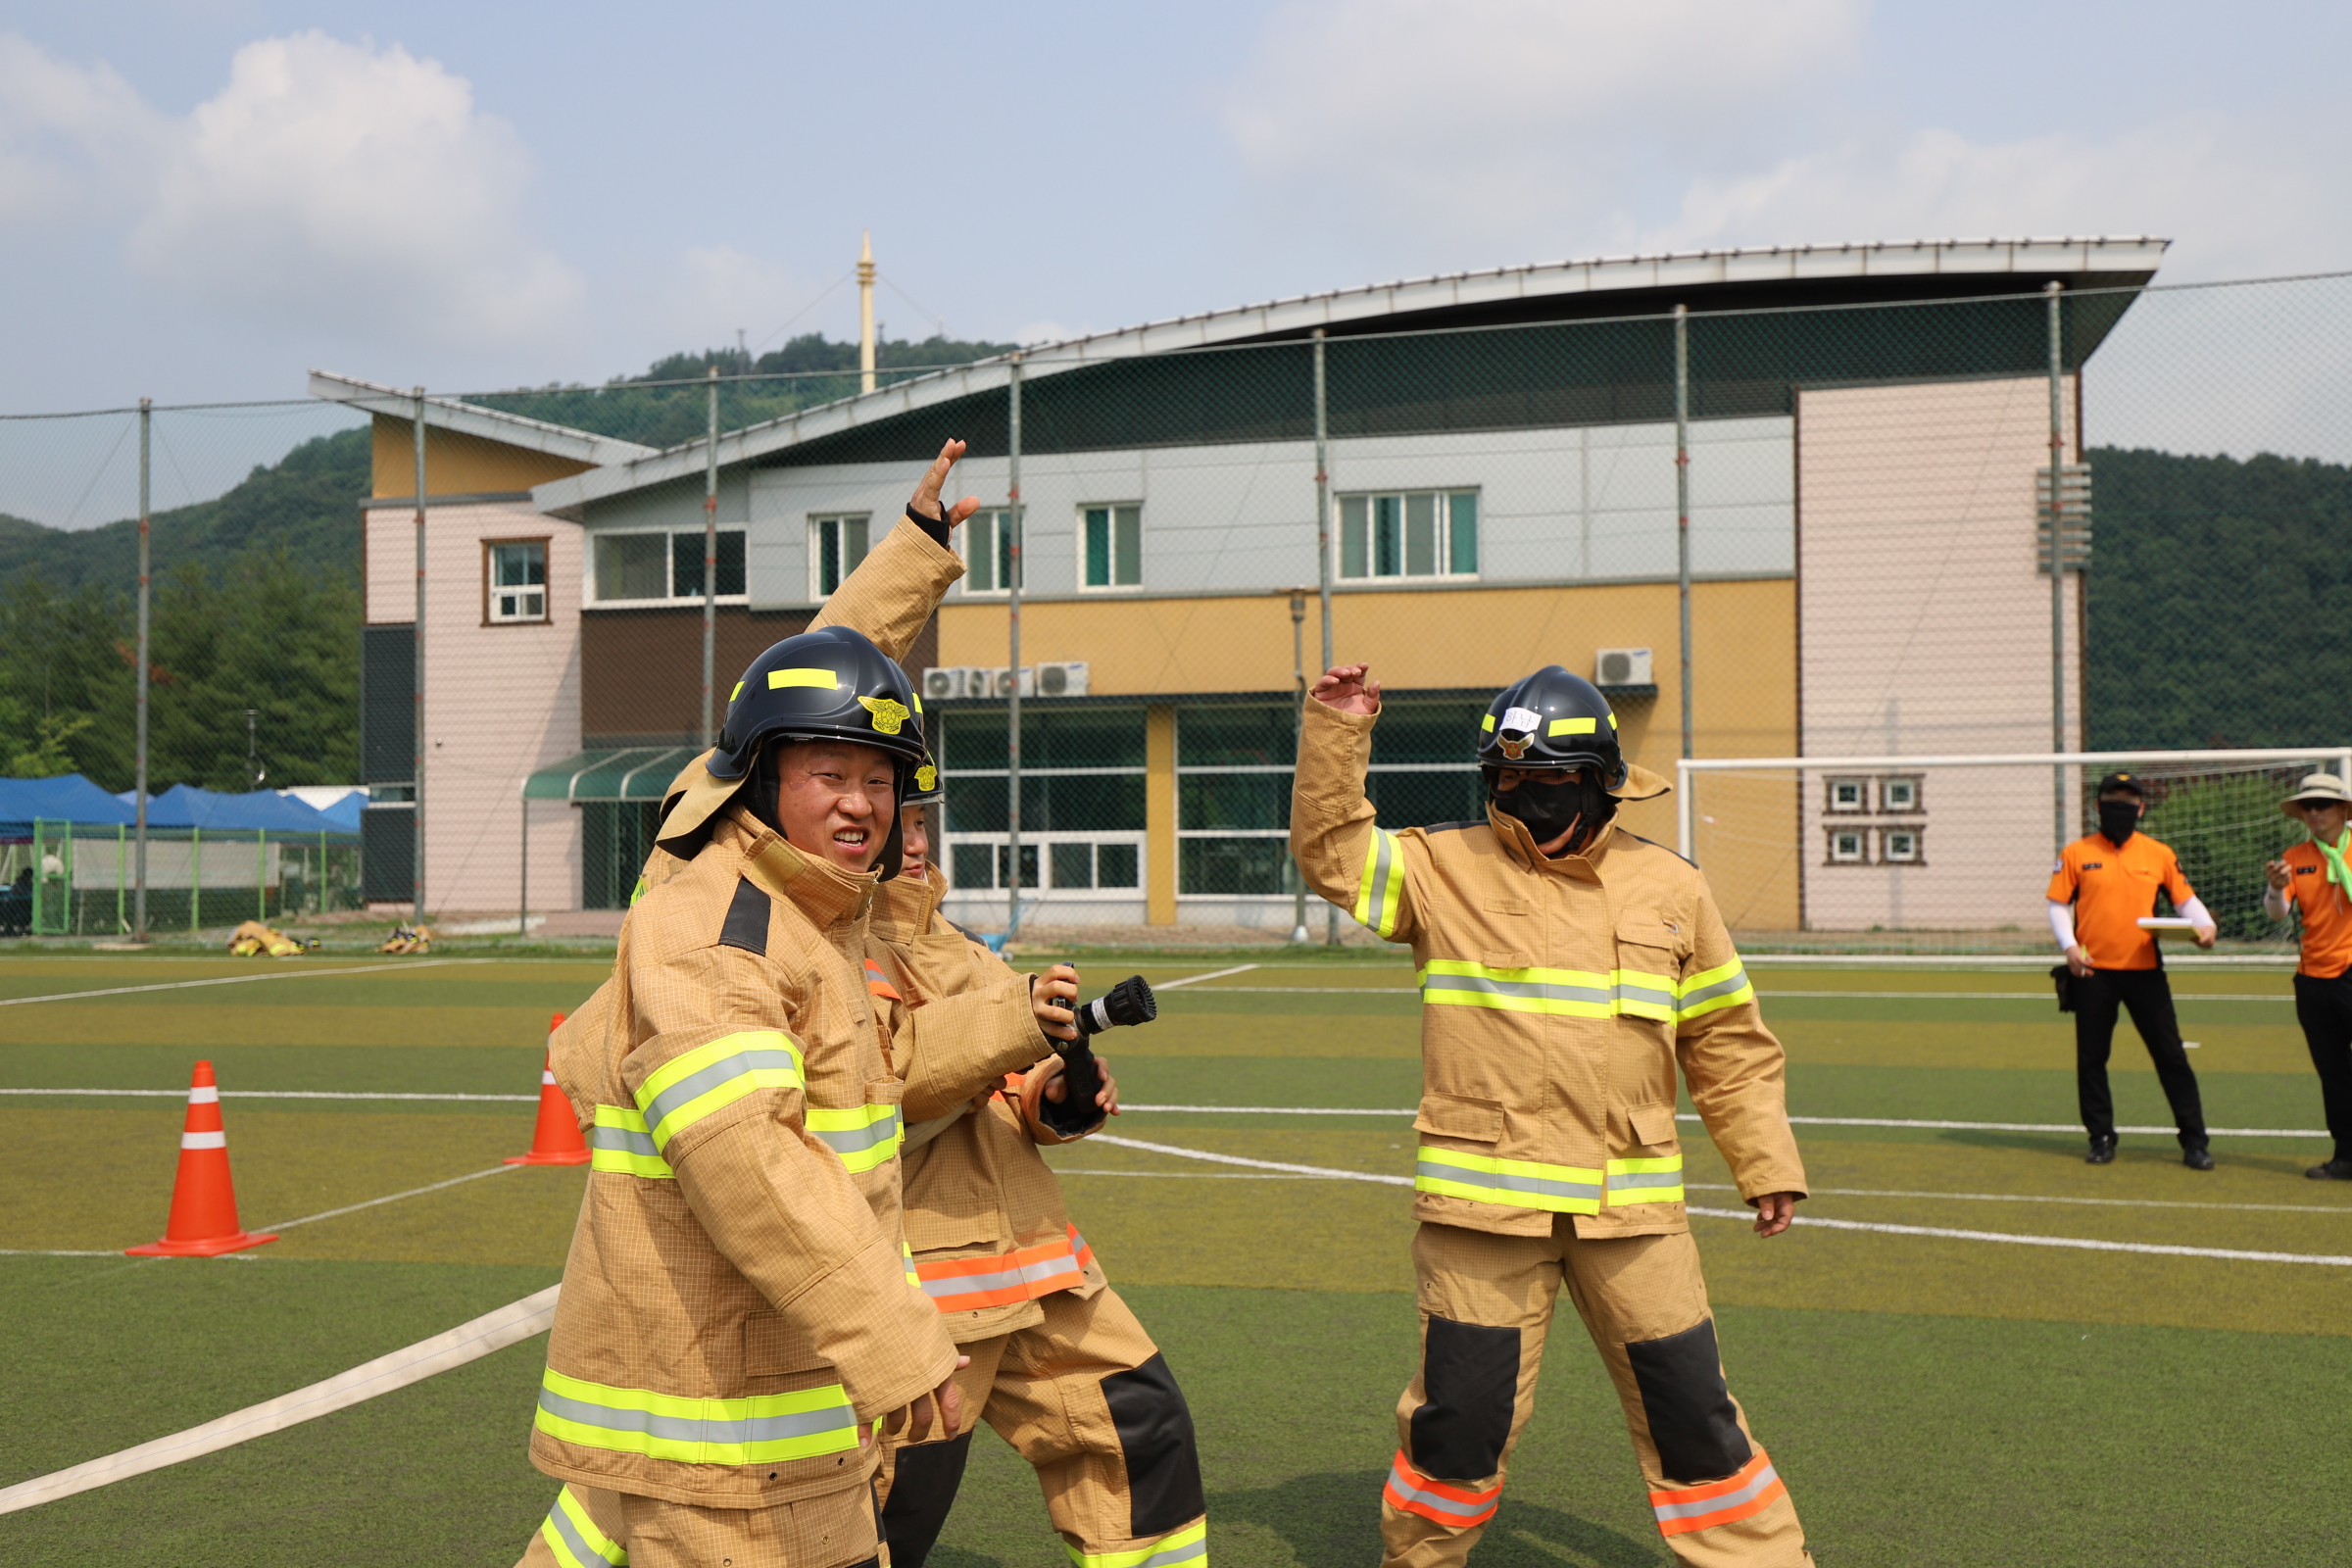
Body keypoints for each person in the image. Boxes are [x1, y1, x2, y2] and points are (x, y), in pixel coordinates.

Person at [518, 444, 1010, 1568]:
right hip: (725, 1419)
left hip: (764, 1391)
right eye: (831, 777)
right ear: (758, 775)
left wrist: (917, 554)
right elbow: (750, 1156)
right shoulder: (720, 915)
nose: (862, 803)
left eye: (881, 782)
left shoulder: (820, 914)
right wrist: (893, 1335)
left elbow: (827, 679)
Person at [1292, 662, 1812, 1568]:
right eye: (1505, 779)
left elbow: (1726, 1039)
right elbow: (1333, 853)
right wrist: (1338, 733)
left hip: (1632, 1217)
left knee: (1695, 1421)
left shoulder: (1672, 887)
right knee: (1458, 1431)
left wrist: (1764, 1160)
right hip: (1483, 1216)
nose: (1521, 796)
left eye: (1545, 781)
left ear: (1601, 782)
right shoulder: (1439, 869)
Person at [870, 761, 1206, 1568]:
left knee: (1142, 1434)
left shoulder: (962, 949)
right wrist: (1008, 1027)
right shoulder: (828, 950)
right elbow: (889, 1085)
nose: (915, 843)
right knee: (884, 1512)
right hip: (925, 1285)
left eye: (921, 822)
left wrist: (1061, 1091)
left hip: (1040, 1268)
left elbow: (1013, 1091)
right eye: (897, 821)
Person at [2046, 771, 2218, 1169]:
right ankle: (2100, 1138)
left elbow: (2184, 900)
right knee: (2091, 1059)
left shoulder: (2159, 853)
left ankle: (2195, 1141)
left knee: (2171, 1056)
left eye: (2128, 800)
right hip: (2092, 972)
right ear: (2097, 807)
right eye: (2112, 799)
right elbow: (2057, 904)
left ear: (2141, 808)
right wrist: (2069, 947)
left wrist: (2205, 926)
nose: (2120, 807)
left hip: (2145, 972)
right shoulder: (2075, 853)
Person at [2265, 772, 2352, 1181]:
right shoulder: (2294, 857)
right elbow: (2278, 913)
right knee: (2333, 1073)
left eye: (2323, 804)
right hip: (2314, 978)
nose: (2314, 812)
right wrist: (2275, 888)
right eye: (2307, 806)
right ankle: (2345, 1156)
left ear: (2343, 809)